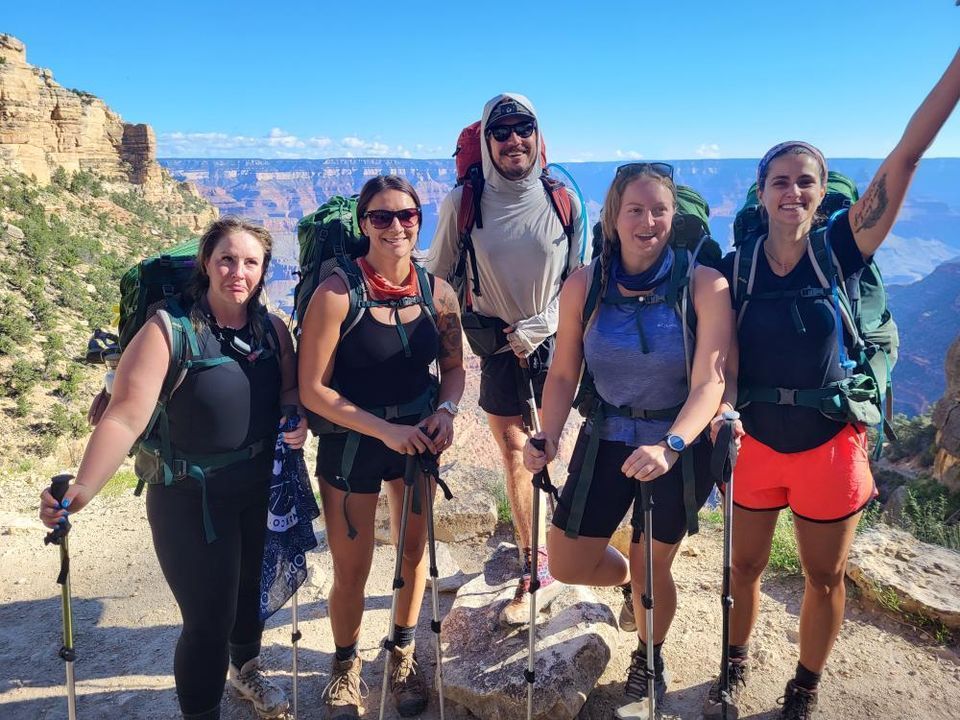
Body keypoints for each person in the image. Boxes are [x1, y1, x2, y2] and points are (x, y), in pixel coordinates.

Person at [702, 47, 960, 720]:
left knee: (824, 576)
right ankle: (735, 665)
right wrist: (723, 412)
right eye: (780, 182)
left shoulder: (841, 250)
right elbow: (720, 361)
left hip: (828, 447)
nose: (793, 192)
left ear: (822, 194)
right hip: (754, 444)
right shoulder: (738, 269)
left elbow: (903, 158)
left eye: (806, 182)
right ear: (760, 194)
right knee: (744, 570)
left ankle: (805, 685)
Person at [39, 216, 308, 720]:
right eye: (226, 259)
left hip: (256, 487)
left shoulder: (273, 331)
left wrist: (297, 417)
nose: (238, 272)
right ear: (206, 263)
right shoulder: (169, 329)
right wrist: (80, 490)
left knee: (250, 590)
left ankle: (246, 670)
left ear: (264, 269)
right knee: (208, 620)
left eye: (251, 262)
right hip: (189, 496)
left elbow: (288, 391)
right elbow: (123, 416)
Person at [523, 162, 732, 714]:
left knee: (651, 567)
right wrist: (548, 434)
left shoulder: (704, 285)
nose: (647, 221)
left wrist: (673, 446)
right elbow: (563, 373)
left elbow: (711, 380)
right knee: (566, 563)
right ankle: (629, 584)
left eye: (659, 210)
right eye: (634, 210)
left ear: (674, 216)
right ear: (613, 217)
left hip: (677, 443)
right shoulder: (584, 286)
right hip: (607, 435)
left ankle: (650, 653)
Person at [298, 175, 465, 720]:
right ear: (363, 224)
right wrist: (385, 430)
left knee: (413, 552)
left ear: (420, 220)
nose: (396, 226)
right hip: (353, 446)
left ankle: (402, 652)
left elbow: (455, 369)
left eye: (407, 216)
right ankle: (345, 668)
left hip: (418, 440)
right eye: (381, 217)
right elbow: (313, 390)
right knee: (353, 569)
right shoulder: (336, 294)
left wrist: (446, 410)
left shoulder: (438, 292)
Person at [427, 93, 588, 625]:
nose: (514, 140)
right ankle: (533, 561)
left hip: (555, 339)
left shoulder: (564, 198)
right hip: (496, 345)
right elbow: (439, 275)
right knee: (514, 447)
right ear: (488, 142)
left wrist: (544, 323)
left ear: (538, 136)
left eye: (524, 129)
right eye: (501, 132)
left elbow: (580, 274)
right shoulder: (463, 203)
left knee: (549, 442)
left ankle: (569, 544)